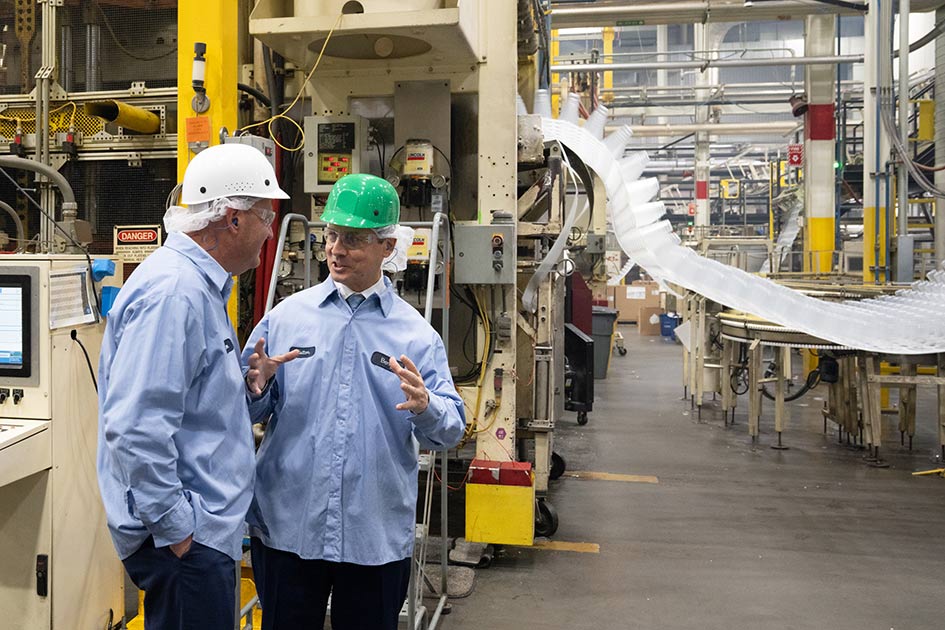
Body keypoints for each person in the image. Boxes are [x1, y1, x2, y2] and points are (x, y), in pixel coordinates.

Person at [242, 173, 466, 630]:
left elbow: (451, 431)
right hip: (289, 526)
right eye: (332, 234)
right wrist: (253, 390)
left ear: (387, 247)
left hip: (373, 534)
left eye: (355, 239)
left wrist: (426, 406)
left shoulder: (415, 335)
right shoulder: (285, 319)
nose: (337, 249)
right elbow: (240, 415)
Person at [97, 143, 297, 630]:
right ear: (232, 218)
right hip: (184, 544)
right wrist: (179, 532)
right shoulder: (176, 295)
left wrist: (246, 389)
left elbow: (189, 409)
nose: (271, 232)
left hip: (198, 535)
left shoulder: (202, 287)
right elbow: (136, 428)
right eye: (266, 217)